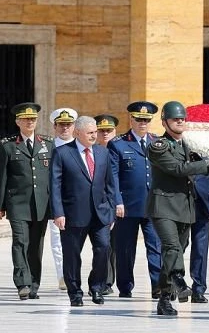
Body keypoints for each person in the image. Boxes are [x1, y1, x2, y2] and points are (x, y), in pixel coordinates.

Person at [146, 101, 209, 316]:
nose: (180, 121)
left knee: (177, 251)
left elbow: (197, 171)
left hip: (184, 207)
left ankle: (164, 299)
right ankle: (180, 280)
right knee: (171, 248)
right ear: (165, 122)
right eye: (175, 119)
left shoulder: (188, 146)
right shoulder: (158, 146)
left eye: (182, 119)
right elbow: (178, 169)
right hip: (163, 206)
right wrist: (208, 164)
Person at [50, 116, 116, 307]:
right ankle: (74, 292)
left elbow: (110, 184)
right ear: (77, 133)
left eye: (95, 132)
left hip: (100, 213)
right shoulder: (62, 153)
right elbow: (55, 185)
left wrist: (111, 209)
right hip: (73, 214)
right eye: (90, 133)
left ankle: (96, 287)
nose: (94, 135)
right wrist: (58, 213)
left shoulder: (103, 153)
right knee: (72, 255)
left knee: (103, 248)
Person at [0, 102, 54, 300]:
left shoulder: (48, 144)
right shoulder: (8, 145)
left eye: (33, 119)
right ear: (18, 121)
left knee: (36, 245)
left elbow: (53, 177)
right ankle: (22, 282)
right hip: (18, 203)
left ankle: (34, 283)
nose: (30, 122)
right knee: (20, 241)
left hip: (41, 203)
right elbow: (1, 177)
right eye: (26, 119)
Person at [107, 101, 162, 299]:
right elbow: (113, 176)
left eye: (146, 120)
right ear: (131, 119)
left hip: (153, 205)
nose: (142, 123)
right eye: (139, 119)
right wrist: (117, 201)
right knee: (125, 249)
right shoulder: (119, 143)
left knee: (156, 247)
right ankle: (125, 286)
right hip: (128, 206)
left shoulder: (157, 142)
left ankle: (157, 285)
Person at [47, 107, 78, 291]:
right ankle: (63, 276)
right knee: (57, 238)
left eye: (68, 125)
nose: (64, 128)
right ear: (55, 127)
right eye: (61, 125)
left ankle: (74, 273)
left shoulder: (80, 146)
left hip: (76, 200)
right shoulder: (48, 147)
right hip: (56, 200)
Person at [186, 171, 209, 303]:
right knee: (178, 246)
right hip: (181, 202)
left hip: (204, 204)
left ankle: (199, 289)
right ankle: (175, 285)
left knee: (200, 249)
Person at [93, 114, 119, 294]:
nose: (105, 134)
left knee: (114, 246)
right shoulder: (91, 151)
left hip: (116, 203)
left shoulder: (120, 149)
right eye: (101, 131)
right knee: (102, 245)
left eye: (108, 131)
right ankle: (103, 281)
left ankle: (109, 281)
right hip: (97, 204)